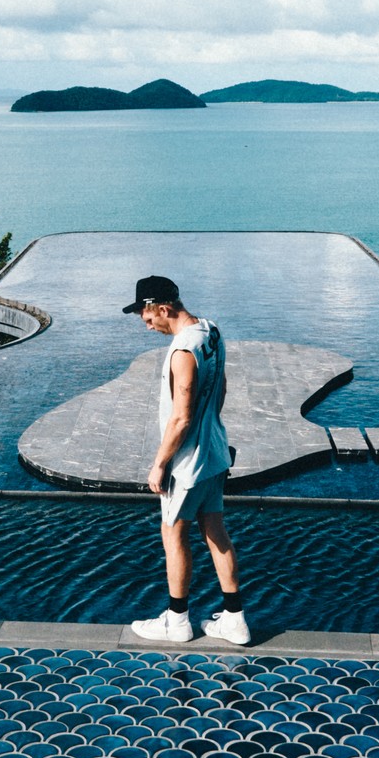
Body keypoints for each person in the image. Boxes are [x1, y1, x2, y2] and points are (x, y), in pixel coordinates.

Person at [123, 275, 250, 645]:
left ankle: (177, 620)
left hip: (187, 463)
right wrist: (210, 431)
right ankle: (235, 619)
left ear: (163, 308)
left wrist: (160, 463)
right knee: (215, 530)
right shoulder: (212, 332)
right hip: (214, 451)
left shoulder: (182, 351)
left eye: (148, 319)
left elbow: (181, 417)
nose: (149, 327)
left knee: (173, 532)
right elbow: (221, 387)